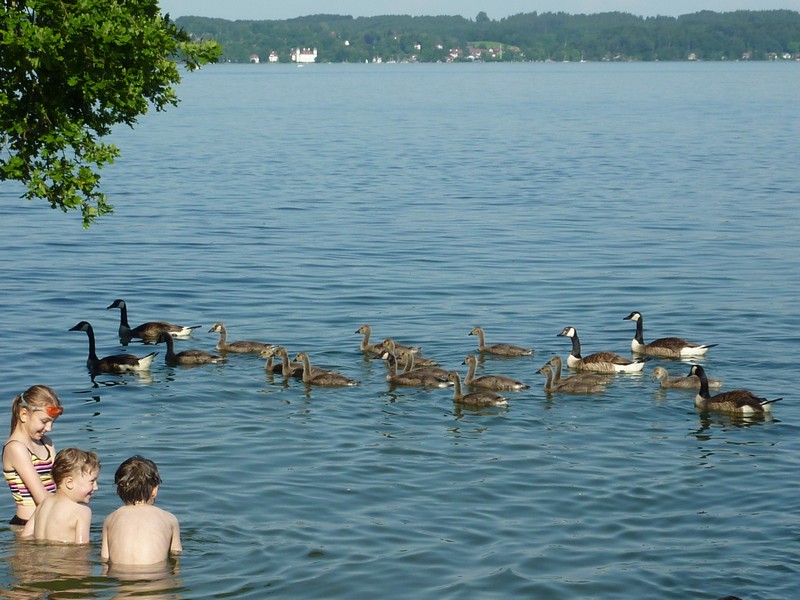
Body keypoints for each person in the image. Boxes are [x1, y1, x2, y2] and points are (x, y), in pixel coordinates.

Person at [101, 455, 182, 566]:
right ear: (155, 489)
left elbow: (105, 559)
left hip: (122, 577)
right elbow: (176, 555)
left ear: (119, 491)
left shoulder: (110, 519)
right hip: (157, 578)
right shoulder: (169, 519)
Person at [3, 385, 62, 526]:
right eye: (44, 421)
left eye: (52, 422)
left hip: (49, 517)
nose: (49, 428)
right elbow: (41, 497)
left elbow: (59, 483)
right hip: (26, 524)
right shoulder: (16, 448)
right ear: (24, 414)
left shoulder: (47, 443)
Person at [21, 448, 100, 543]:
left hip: (40, 556)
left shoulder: (43, 504)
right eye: (92, 481)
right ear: (69, 482)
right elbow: (82, 547)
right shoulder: (82, 512)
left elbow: (25, 536)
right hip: (63, 557)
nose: (96, 487)